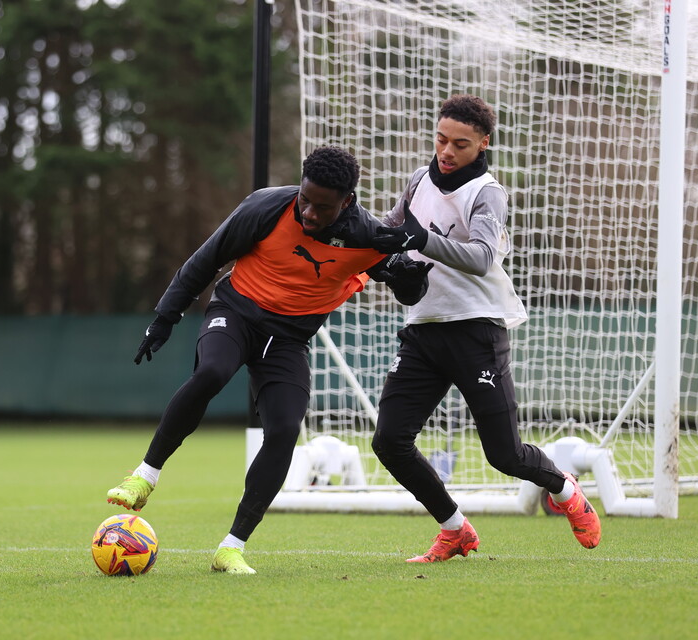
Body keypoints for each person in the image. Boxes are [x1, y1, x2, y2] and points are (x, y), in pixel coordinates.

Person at [107, 146, 433, 574]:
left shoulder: (367, 235)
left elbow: (407, 292)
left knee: (282, 429)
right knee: (212, 372)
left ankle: (231, 547)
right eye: (306, 199)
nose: (310, 214)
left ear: (347, 202)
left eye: (324, 207)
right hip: (236, 313)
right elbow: (205, 261)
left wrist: (410, 274)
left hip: (288, 342)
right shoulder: (263, 207)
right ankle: (144, 476)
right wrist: (164, 319)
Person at [368, 94, 601, 562]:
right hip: (423, 331)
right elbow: (385, 233)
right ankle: (455, 529)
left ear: (482, 144)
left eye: (460, 144)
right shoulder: (418, 180)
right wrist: (366, 252)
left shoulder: (488, 191)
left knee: (504, 456)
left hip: (477, 332)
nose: (446, 152)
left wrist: (421, 241)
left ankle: (564, 488)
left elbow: (481, 257)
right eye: (440, 139)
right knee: (389, 441)